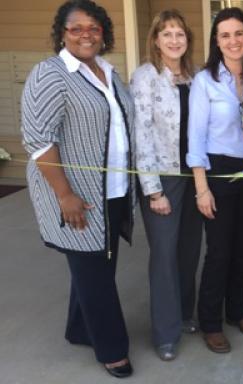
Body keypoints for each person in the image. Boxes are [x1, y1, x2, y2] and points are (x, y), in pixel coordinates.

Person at [20, 0, 135, 378]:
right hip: (78, 196)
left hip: (114, 191)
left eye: (94, 27)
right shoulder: (50, 74)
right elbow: (39, 139)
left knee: (97, 268)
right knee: (95, 274)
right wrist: (65, 195)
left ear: (104, 32)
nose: (86, 34)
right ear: (62, 34)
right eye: (76, 28)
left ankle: (79, 329)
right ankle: (112, 349)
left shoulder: (109, 71)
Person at [187, 7, 243, 354]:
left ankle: (238, 311)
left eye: (239, 33)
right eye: (225, 35)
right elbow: (195, 137)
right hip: (216, 171)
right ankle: (211, 322)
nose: (233, 41)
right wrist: (201, 188)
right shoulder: (205, 81)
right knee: (219, 251)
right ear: (217, 41)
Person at [130, 9, 202, 361]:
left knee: (189, 250)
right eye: (167, 34)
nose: (174, 40)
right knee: (164, 255)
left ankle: (185, 314)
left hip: (195, 175)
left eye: (180, 34)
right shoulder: (146, 77)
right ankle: (165, 333)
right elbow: (140, 132)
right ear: (156, 40)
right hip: (164, 178)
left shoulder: (195, 76)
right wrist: (152, 190)